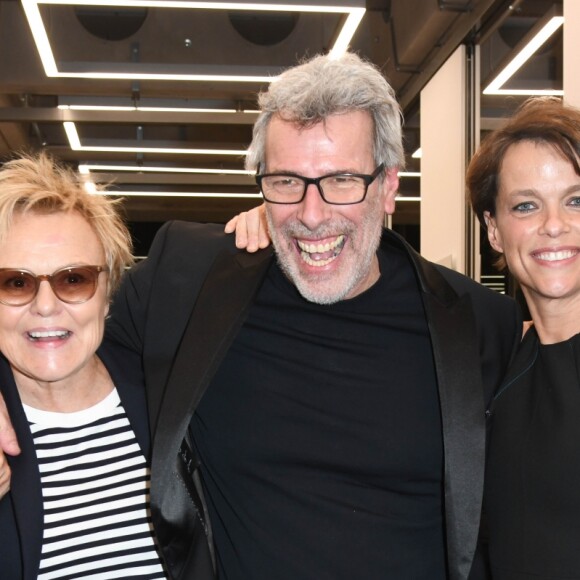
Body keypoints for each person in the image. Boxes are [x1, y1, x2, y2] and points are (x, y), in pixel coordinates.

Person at [102, 52, 521, 580]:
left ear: (389, 184)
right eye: (286, 181)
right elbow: (55, 337)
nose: (312, 214)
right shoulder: (186, 277)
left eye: (341, 180)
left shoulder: (482, 324)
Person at [0, 153, 171, 579]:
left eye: (73, 279)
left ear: (108, 291)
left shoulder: (170, 398)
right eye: (15, 282)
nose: (45, 306)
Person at [468, 97, 580, 579]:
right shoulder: (493, 368)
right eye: (526, 205)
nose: (554, 225)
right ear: (494, 230)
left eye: (576, 200)